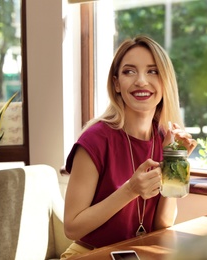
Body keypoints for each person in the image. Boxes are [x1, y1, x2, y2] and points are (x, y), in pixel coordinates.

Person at [60, 35, 197, 259]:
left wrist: (174, 162)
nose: (141, 81)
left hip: (138, 252)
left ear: (165, 82)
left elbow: (162, 224)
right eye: (129, 71)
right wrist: (131, 190)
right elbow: (72, 228)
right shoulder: (94, 140)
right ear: (116, 84)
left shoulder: (164, 137)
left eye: (153, 71)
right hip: (89, 254)